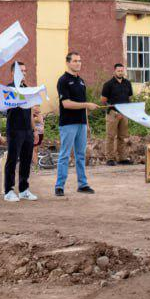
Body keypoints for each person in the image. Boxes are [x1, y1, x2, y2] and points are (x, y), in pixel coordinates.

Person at [55, 52, 98, 197]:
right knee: (65, 155)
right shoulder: (63, 81)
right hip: (68, 123)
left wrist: (87, 122)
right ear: (68, 63)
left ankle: (83, 184)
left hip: (81, 123)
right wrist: (87, 104)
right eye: (75, 61)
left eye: (79, 61)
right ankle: (59, 186)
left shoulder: (81, 81)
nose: (78, 63)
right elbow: (66, 104)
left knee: (80, 155)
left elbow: (83, 106)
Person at [2, 60, 37, 203]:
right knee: (12, 160)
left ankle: (23, 190)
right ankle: (8, 190)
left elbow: (30, 112)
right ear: (12, 73)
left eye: (25, 71)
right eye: (20, 71)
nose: (23, 73)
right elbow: (5, 106)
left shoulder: (27, 88)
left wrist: (34, 130)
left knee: (26, 160)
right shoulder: (9, 89)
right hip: (15, 130)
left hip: (27, 130)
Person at [100, 63, 134, 166]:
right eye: (118, 71)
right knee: (110, 136)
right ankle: (110, 158)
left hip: (124, 114)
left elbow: (129, 98)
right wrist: (115, 111)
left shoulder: (127, 83)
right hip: (113, 114)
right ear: (114, 71)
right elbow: (103, 100)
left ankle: (122, 158)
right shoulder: (108, 84)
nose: (120, 72)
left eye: (122, 70)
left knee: (122, 136)